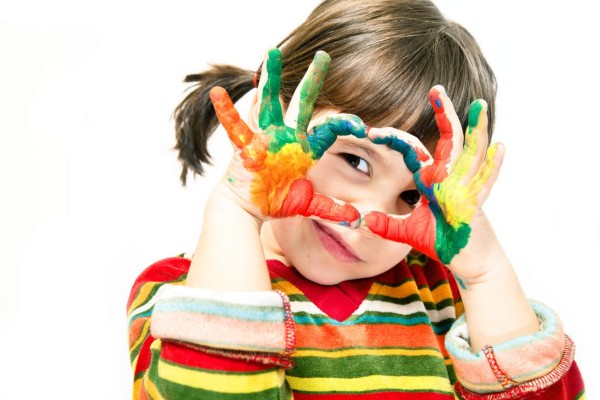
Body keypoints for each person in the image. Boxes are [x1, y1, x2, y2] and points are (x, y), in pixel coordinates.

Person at [127, 0, 585, 398]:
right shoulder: (181, 291)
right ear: (272, 110)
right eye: (356, 161)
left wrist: (485, 276)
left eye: (412, 195)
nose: (371, 216)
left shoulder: (443, 298)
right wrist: (235, 210)